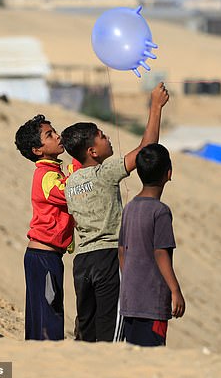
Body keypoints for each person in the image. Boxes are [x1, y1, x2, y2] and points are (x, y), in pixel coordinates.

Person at [61, 82, 169, 342]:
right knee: (110, 328)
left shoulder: (70, 182)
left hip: (82, 263)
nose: (107, 137)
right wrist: (155, 107)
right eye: (101, 135)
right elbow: (145, 150)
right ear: (92, 151)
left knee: (86, 325)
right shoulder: (104, 173)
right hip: (108, 257)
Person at [15, 114, 75, 340]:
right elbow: (69, 192)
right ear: (37, 150)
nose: (58, 136)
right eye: (49, 135)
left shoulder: (54, 171)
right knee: (48, 317)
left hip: (47, 256)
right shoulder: (46, 175)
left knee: (45, 314)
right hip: (43, 256)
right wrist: (79, 165)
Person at [118, 143, 185, 346]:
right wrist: (175, 290)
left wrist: (130, 278)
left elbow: (121, 250)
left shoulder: (129, 208)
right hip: (152, 302)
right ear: (169, 173)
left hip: (130, 300)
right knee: (151, 352)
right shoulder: (160, 211)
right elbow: (160, 253)